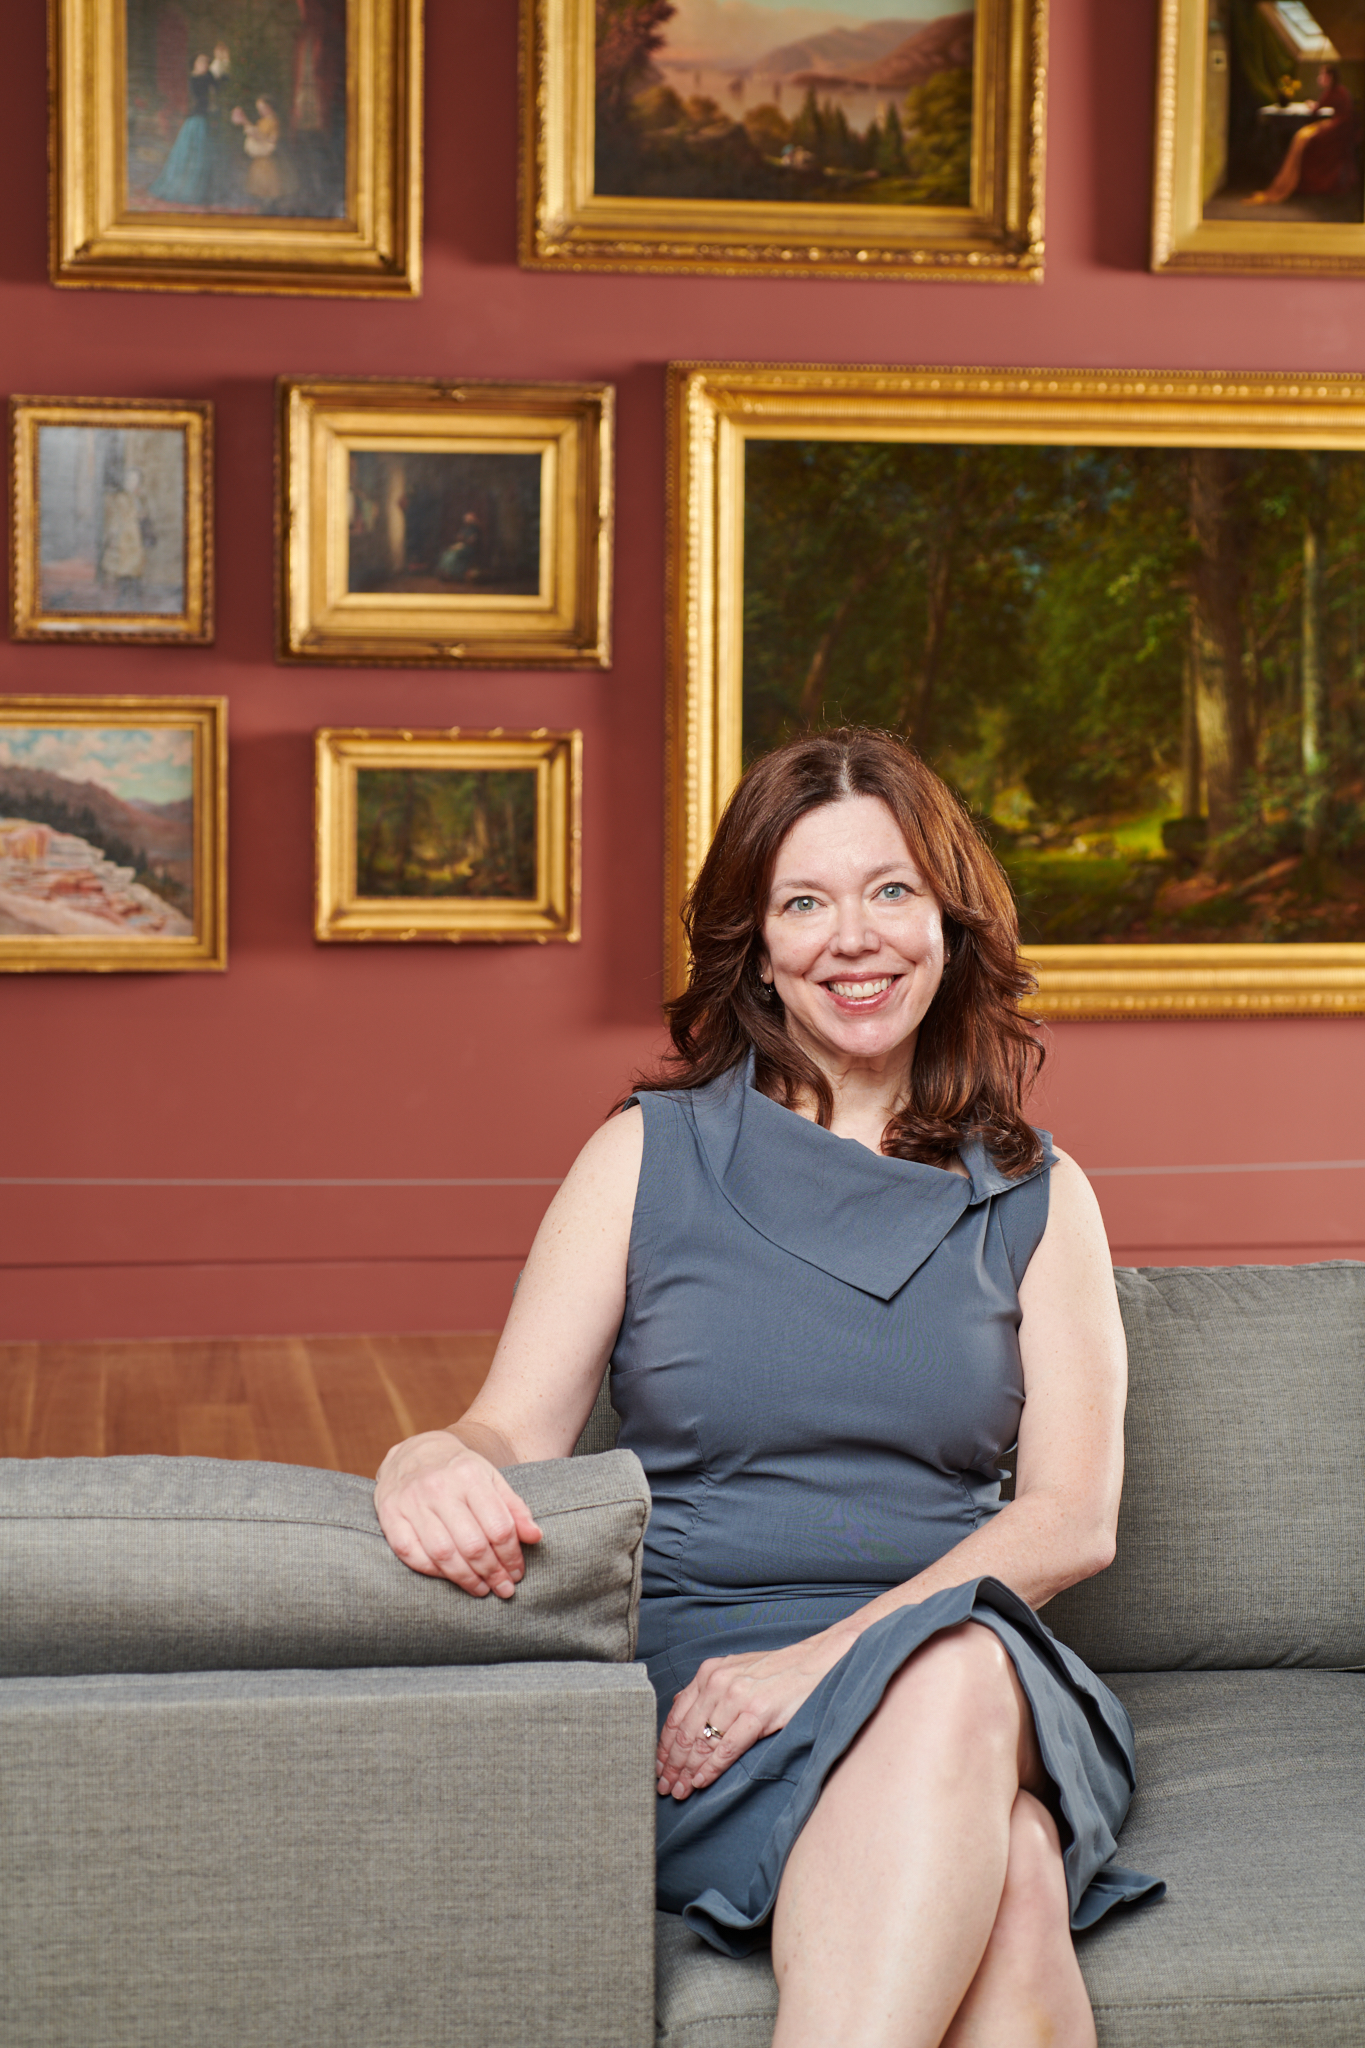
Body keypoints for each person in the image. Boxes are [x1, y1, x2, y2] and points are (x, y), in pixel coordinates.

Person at [375, 728, 1162, 2047]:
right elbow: (510, 1426)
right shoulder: (644, 1158)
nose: (853, 939)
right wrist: (422, 1457)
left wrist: (811, 1666)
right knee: (1015, 1876)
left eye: (890, 892)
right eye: (804, 902)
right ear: (757, 943)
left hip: (945, 1652)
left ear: (950, 921)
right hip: (703, 1687)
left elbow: (1073, 1520)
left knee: (958, 1671)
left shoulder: (1040, 1195)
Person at [1251, 63, 1359, 205]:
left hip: (1337, 131)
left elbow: (1317, 112)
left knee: (1304, 138)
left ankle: (1296, 181)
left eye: (1322, 75)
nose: (1319, 78)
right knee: (1300, 136)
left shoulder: (1336, 92)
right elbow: (1319, 107)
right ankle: (1288, 176)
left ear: (1330, 77)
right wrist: (1315, 107)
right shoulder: (1335, 91)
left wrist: (1313, 108)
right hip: (1336, 128)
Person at [150, 53, 212, 206]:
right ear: (195, 64)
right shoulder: (196, 79)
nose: (205, 65)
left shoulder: (206, 77)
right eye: (202, 61)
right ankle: (187, 190)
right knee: (190, 155)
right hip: (196, 121)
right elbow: (203, 94)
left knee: (201, 156)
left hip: (203, 119)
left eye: (207, 62)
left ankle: (199, 191)